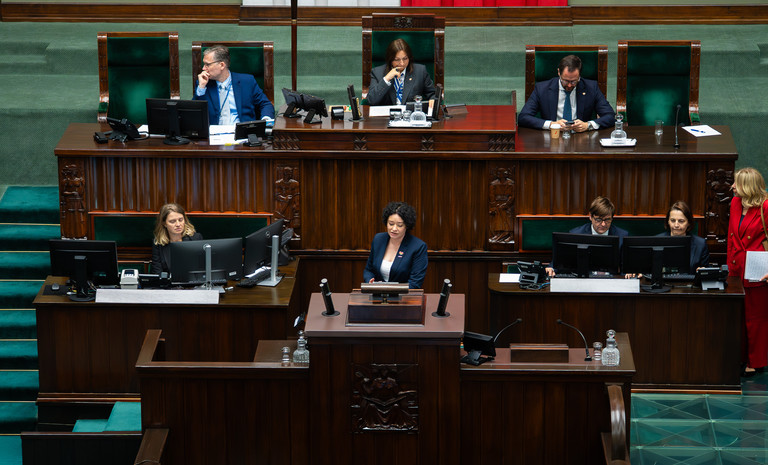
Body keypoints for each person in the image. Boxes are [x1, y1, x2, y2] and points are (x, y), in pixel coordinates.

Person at [727, 167, 768, 377]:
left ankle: (756, 361)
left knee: (756, 318)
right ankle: (741, 357)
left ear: (749, 187)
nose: (732, 187)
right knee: (739, 316)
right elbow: (731, 237)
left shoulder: (766, 207)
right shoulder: (735, 203)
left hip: (758, 270)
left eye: (737, 183)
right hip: (736, 268)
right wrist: (729, 269)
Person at [518, 54, 615, 132]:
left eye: (573, 81)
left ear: (579, 76)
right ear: (558, 72)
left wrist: (587, 125)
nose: (569, 85)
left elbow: (610, 116)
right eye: (565, 81)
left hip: (581, 138)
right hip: (553, 137)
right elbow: (523, 117)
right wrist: (551, 125)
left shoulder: (591, 88)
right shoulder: (542, 89)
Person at [546, 196, 628, 276]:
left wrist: (629, 273)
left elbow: (625, 268)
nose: (603, 224)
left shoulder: (622, 236)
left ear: (612, 218)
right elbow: (561, 261)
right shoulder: (576, 234)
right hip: (582, 280)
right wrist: (551, 268)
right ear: (590, 216)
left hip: (611, 281)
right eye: (598, 219)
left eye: (607, 220)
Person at [194, 45, 275, 125]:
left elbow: (265, 104)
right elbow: (195, 112)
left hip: (243, 130)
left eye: (207, 65)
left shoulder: (247, 81)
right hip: (214, 131)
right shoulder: (204, 84)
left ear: (222, 65)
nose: (203, 68)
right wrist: (201, 88)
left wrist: (265, 120)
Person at [364, 201, 428, 289]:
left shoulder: (418, 247)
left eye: (400, 225)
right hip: (377, 293)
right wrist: (370, 281)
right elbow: (368, 269)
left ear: (407, 226)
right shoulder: (378, 239)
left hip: (403, 296)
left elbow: (415, 283)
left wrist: (390, 291)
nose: (394, 229)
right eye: (391, 224)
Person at [366, 39, 436, 106]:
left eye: (405, 59)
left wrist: (433, 99)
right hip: (386, 113)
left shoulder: (420, 71)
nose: (402, 63)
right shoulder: (377, 72)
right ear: (390, 59)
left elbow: (433, 94)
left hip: (410, 113)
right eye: (397, 60)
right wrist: (386, 79)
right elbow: (371, 100)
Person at [656, 201, 710, 271]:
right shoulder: (657, 241)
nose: (676, 225)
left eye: (681, 221)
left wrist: (702, 271)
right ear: (668, 221)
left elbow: (706, 270)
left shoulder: (701, 244)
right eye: (673, 220)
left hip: (690, 278)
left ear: (689, 223)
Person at [151, 203, 202, 274]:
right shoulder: (158, 243)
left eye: (180, 220)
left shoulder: (195, 238)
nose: (178, 224)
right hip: (169, 281)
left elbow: (201, 267)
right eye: (172, 221)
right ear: (164, 223)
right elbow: (157, 272)